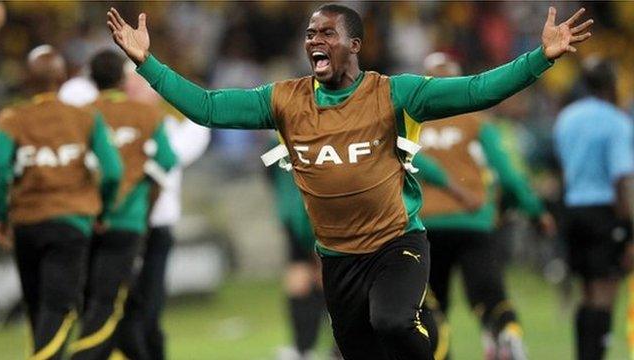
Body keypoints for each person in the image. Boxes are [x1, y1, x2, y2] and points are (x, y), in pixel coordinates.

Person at [107, 4, 591, 359]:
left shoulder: (395, 94)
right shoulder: (284, 100)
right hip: (338, 259)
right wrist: (147, 63)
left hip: (397, 243)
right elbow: (208, 108)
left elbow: (477, 90)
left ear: (354, 45)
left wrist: (540, 59)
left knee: (394, 320)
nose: (314, 40)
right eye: (310, 33)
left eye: (327, 33)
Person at [413, 52, 556, 360]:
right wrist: (535, 211)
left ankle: (438, 351)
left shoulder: (411, 124)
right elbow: (509, 175)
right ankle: (507, 335)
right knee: (488, 295)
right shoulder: (479, 123)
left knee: (430, 307)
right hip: (474, 222)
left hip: (425, 226)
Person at [0, 45, 122, 360]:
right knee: (60, 309)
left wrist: (1, 215)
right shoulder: (84, 118)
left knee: (37, 308)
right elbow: (114, 171)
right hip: (71, 221)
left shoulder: (13, 118)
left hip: (26, 223)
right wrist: (101, 208)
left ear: (27, 80)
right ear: (62, 78)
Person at [68, 49, 177, 360]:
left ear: (91, 80)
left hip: (88, 222)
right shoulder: (146, 114)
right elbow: (167, 161)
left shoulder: (79, 116)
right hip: (129, 223)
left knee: (100, 301)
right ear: (121, 79)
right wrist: (144, 199)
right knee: (114, 303)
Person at [115, 63, 210, 360]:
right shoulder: (111, 126)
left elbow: (199, 125)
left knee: (149, 312)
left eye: (141, 84)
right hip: (121, 227)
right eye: (129, 84)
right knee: (124, 311)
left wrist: (178, 92)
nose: (133, 90)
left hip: (155, 228)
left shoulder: (167, 128)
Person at [554, 57, 634, 360]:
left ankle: (582, 355)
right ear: (612, 84)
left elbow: (563, 168)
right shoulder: (617, 122)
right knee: (604, 292)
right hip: (604, 212)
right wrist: (628, 230)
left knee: (586, 291)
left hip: (572, 209)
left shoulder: (566, 118)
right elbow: (621, 180)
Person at [265, 137, 338, 360]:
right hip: (309, 215)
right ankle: (319, 348)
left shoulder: (275, 143)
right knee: (317, 278)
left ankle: (306, 348)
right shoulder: (313, 135)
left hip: (302, 215)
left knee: (309, 278)